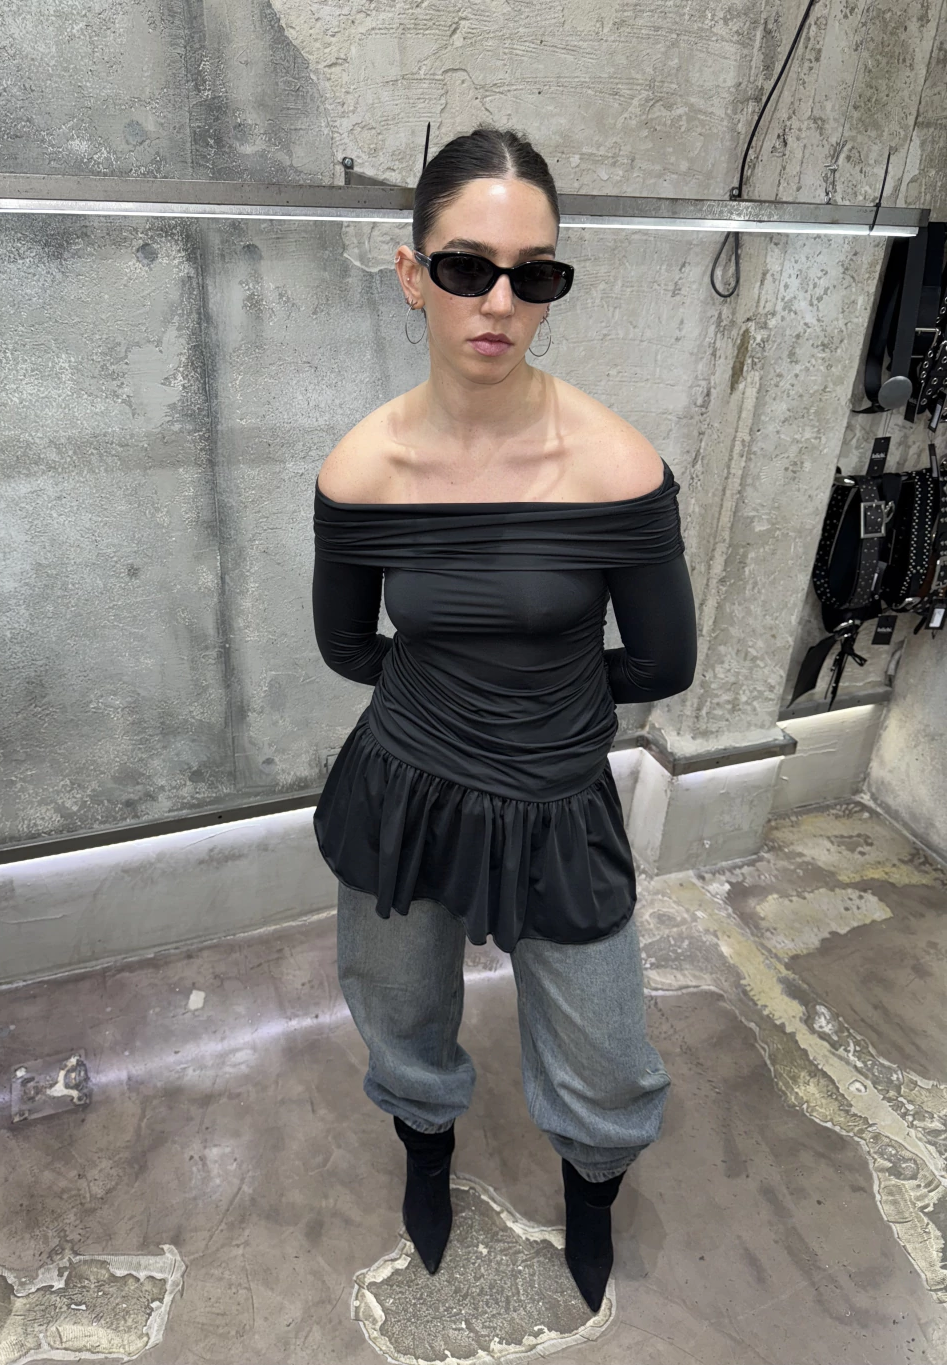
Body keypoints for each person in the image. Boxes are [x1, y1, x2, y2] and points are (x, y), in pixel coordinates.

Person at [311, 125, 697, 1315]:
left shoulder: (615, 467)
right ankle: (424, 1151)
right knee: (399, 1006)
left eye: (534, 276)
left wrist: (539, 709)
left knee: (602, 1044)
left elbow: (664, 660)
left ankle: (593, 1195)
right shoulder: (363, 469)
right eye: (466, 267)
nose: (498, 302)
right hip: (402, 786)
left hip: (555, 796)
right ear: (411, 273)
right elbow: (347, 647)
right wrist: (451, 701)